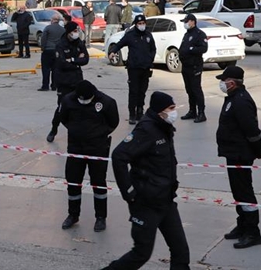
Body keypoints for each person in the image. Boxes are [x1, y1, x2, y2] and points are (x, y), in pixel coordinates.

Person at [103, 92, 190, 270]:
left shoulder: (163, 127)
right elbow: (119, 156)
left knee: (181, 251)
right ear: (160, 111)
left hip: (165, 200)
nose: (175, 112)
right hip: (146, 204)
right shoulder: (146, 130)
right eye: (171, 109)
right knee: (141, 253)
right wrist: (128, 191)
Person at [215, 66, 261, 249]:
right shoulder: (233, 98)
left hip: (240, 155)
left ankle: (253, 232)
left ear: (232, 82)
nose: (221, 84)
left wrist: (257, 151)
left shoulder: (241, 101)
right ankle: (242, 225)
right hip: (232, 153)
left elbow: (252, 131)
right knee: (238, 193)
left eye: (223, 80)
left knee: (245, 193)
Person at [59, 81, 119, 231]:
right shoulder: (68, 100)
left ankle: (100, 217)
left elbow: (113, 122)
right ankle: (73, 214)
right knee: (73, 181)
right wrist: (76, 131)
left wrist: (97, 135)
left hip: (97, 149)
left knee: (98, 182)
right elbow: (63, 118)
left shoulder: (107, 102)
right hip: (75, 147)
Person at [108, 14, 156, 125]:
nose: (142, 25)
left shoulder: (148, 35)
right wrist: (113, 52)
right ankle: (132, 114)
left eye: (143, 23)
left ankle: (140, 111)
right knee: (134, 91)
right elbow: (119, 44)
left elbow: (153, 49)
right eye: (139, 24)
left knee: (142, 91)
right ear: (136, 24)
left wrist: (150, 59)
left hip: (145, 68)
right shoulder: (130, 35)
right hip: (134, 68)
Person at [47, 22, 89, 142]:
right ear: (69, 32)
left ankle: (77, 131)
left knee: (80, 106)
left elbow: (85, 59)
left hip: (77, 80)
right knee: (62, 107)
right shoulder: (61, 45)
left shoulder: (79, 43)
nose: (76, 33)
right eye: (74, 31)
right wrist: (76, 61)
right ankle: (54, 129)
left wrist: (72, 60)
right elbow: (61, 63)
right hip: (64, 81)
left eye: (77, 31)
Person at [178, 14, 209, 123]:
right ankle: (192, 111)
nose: (185, 24)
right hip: (186, 66)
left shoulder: (199, 34)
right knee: (189, 90)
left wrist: (191, 49)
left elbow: (204, 48)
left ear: (192, 22)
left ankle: (201, 113)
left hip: (195, 66)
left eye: (186, 22)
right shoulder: (187, 34)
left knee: (196, 90)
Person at [38, 14, 65, 91]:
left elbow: (43, 39)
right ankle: (54, 85)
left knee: (46, 69)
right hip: (57, 51)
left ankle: (45, 86)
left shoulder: (48, 28)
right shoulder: (62, 29)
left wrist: (43, 48)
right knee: (55, 69)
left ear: (52, 20)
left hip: (48, 50)